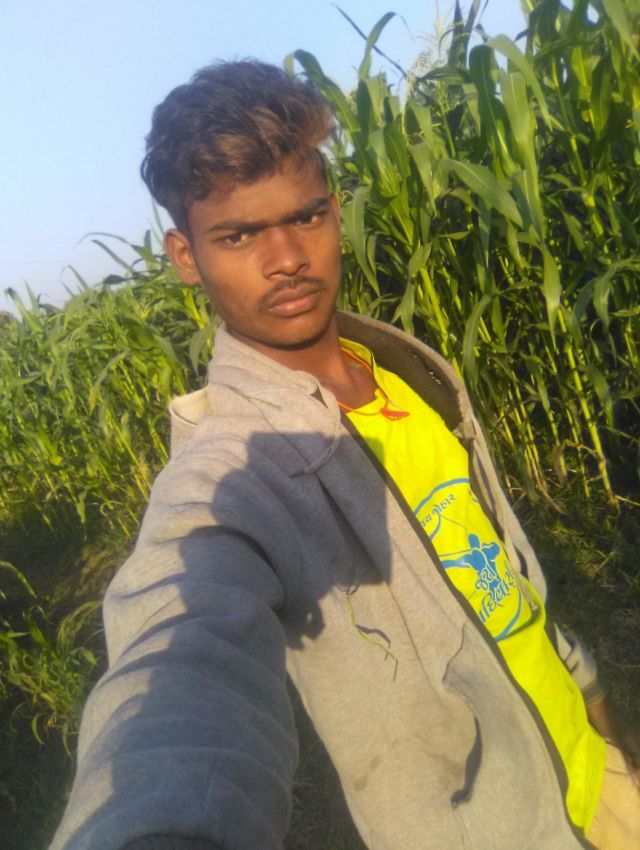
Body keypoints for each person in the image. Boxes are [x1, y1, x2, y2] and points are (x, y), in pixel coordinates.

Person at [51, 60, 639, 850]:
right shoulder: (233, 470)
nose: (287, 257)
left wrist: (594, 699)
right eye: (238, 235)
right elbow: (180, 652)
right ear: (186, 256)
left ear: (334, 210)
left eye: (307, 216)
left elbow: (496, 568)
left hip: (599, 776)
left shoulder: (405, 373)